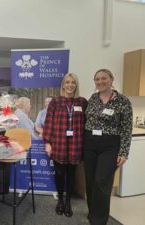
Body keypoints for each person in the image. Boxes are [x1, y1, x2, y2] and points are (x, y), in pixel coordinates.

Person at [84, 69, 133, 225]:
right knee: (91, 181)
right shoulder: (93, 98)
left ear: (112, 79)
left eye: (104, 78)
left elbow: (126, 128)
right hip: (90, 142)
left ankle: (99, 221)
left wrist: (124, 152)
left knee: (101, 182)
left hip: (110, 145)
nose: (100, 82)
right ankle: (92, 213)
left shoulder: (122, 101)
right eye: (97, 79)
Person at [43, 73, 88, 217]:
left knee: (71, 175)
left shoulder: (82, 102)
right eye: (67, 82)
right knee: (59, 173)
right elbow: (48, 123)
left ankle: (68, 202)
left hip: (76, 144)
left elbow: (89, 123)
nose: (70, 85)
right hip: (59, 143)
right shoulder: (55, 102)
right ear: (63, 85)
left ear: (76, 85)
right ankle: (60, 201)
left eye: (73, 82)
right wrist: (47, 143)